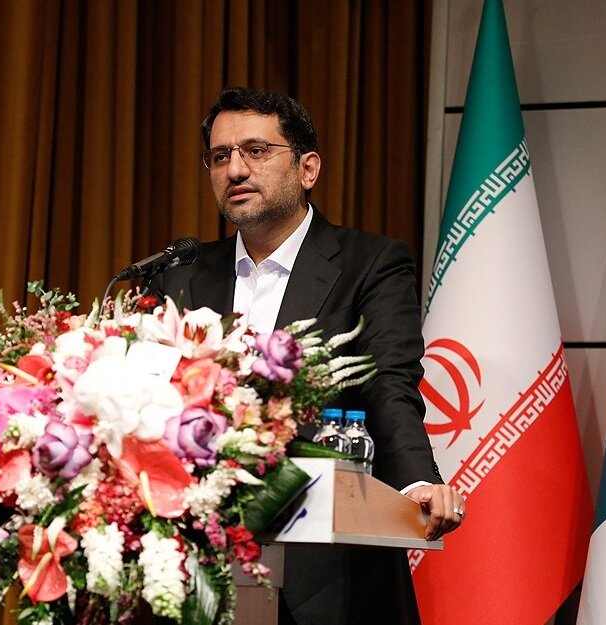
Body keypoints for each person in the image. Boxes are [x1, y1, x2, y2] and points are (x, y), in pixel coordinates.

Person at [148, 87, 464, 625]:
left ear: (308, 168)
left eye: (256, 151)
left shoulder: (371, 263)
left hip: (327, 577)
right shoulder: (181, 274)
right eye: (220, 157)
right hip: (202, 571)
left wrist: (415, 479)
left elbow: (389, 383)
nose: (236, 170)